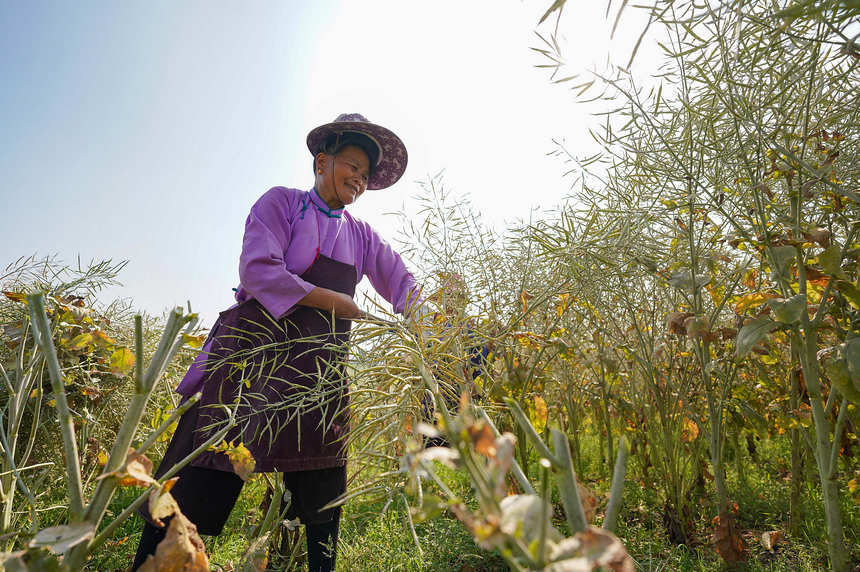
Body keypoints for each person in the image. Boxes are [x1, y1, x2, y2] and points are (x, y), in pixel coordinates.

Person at [131, 114, 422, 572]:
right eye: (351, 165)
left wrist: (437, 321)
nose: (359, 180)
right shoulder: (281, 204)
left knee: (323, 496)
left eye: (365, 175)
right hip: (252, 361)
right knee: (199, 475)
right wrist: (336, 303)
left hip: (317, 376)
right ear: (322, 162)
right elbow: (258, 269)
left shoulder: (362, 236)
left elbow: (401, 282)